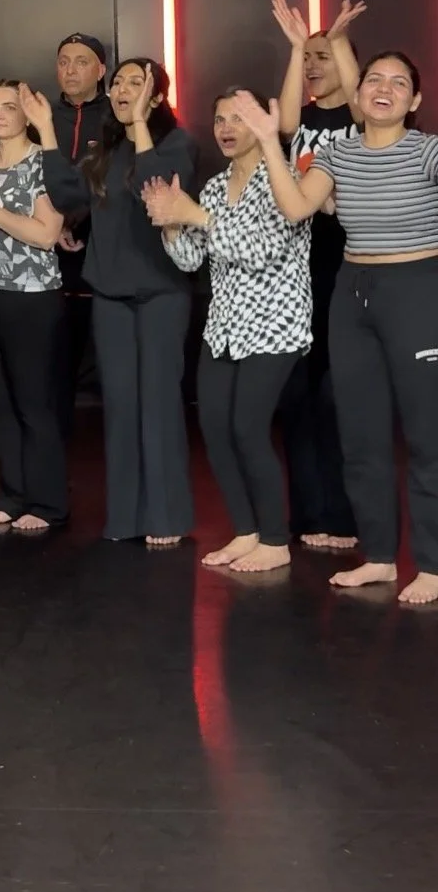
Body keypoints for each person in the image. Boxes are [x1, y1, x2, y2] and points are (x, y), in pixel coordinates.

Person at [234, 54, 438, 605]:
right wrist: (270, 143)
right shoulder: (339, 153)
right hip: (353, 296)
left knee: (427, 437)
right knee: (361, 435)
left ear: (414, 102)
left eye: (400, 83)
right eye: (375, 79)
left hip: (418, 291)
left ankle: (434, 564)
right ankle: (378, 557)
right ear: (358, 94)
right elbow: (297, 206)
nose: (385, 89)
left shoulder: (428, 152)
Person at [143, 89, 311, 573]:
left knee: (247, 428)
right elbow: (192, 259)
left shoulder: (283, 179)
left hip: (276, 326)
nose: (226, 128)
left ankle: (276, 541)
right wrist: (170, 225)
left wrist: (192, 215)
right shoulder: (215, 187)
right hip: (225, 327)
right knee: (215, 430)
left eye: (239, 118)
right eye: (219, 119)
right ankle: (246, 531)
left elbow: (260, 249)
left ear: (261, 124)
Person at [31, 59, 198, 545]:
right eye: (120, 82)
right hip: (110, 295)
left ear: (158, 97)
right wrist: (44, 129)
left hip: (162, 294)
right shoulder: (106, 149)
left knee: (160, 405)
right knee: (121, 407)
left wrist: (142, 124)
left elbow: (158, 193)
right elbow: (67, 193)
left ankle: (166, 517)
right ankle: (125, 518)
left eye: (136, 84)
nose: (123, 90)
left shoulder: (176, 144)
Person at [273, 0, 366, 551]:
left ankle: (344, 518)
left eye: (324, 56)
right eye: (310, 57)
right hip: (295, 272)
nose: (314, 64)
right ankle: (307, 516)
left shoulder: (364, 118)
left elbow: (357, 99)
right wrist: (296, 46)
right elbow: (282, 123)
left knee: (338, 400)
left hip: (344, 268)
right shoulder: (299, 118)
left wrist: (336, 35)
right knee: (296, 399)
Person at [0, 80, 67, 533]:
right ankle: (12, 495)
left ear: (28, 115)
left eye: (9, 107)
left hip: (33, 296)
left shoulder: (43, 166)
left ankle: (47, 503)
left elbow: (47, 235)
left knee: (34, 403)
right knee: (2, 404)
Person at [51, 34, 112, 435]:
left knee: (115, 371)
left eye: (81, 61)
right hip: (49, 262)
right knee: (54, 372)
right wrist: (54, 224)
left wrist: (80, 218)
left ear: (101, 70)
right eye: (63, 61)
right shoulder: (40, 116)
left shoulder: (116, 115)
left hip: (104, 261)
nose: (70, 70)